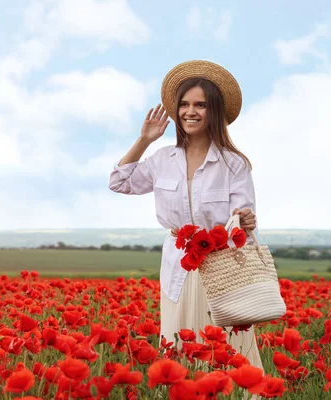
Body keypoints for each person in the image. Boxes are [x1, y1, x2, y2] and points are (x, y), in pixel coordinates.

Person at [108, 60, 264, 371]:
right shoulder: (162, 159)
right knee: (178, 347)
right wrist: (144, 140)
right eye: (184, 104)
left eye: (200, 105)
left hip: (221, 269)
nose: (190, 112)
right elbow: (119, 181)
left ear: (214, 111)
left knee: (225, 348)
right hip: (177, 266)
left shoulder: (234, 164)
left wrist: (246, 220)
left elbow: (244, 222)